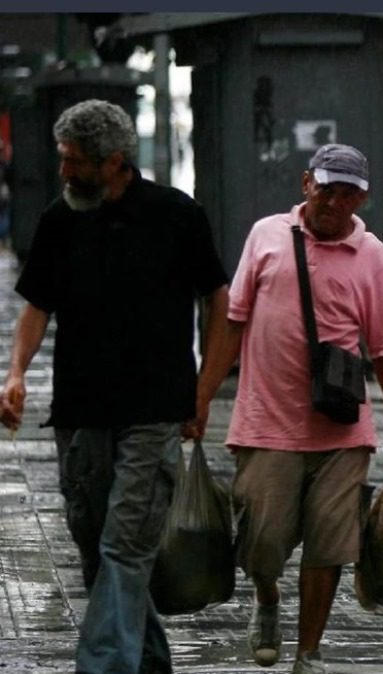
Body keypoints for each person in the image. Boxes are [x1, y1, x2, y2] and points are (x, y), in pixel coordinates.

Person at [0, 99, 230, 674]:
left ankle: (102, 666)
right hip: (80, 412)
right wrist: (15, 373)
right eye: (62, 159)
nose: (64, 172)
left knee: (125, 545)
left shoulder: (178, 216)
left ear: (115, 161)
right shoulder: (60, 218)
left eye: (75, 162)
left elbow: (220, 304)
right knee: (96, 547)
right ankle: (148, 660)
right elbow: (37, 306)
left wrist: (203, 392)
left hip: (155, 411)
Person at [192, 143, 383, 674]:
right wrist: (202, 397)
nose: (334, 203)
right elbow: (233, 321)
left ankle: (309, 653)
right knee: (263, 542)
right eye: (326, 190)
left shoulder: (372, 256)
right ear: (305, 185)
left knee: (330, 546)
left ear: (361, 199)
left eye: (347, 195)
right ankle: (267, 599)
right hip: (266, 424)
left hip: (342, 430)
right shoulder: (266, 236)